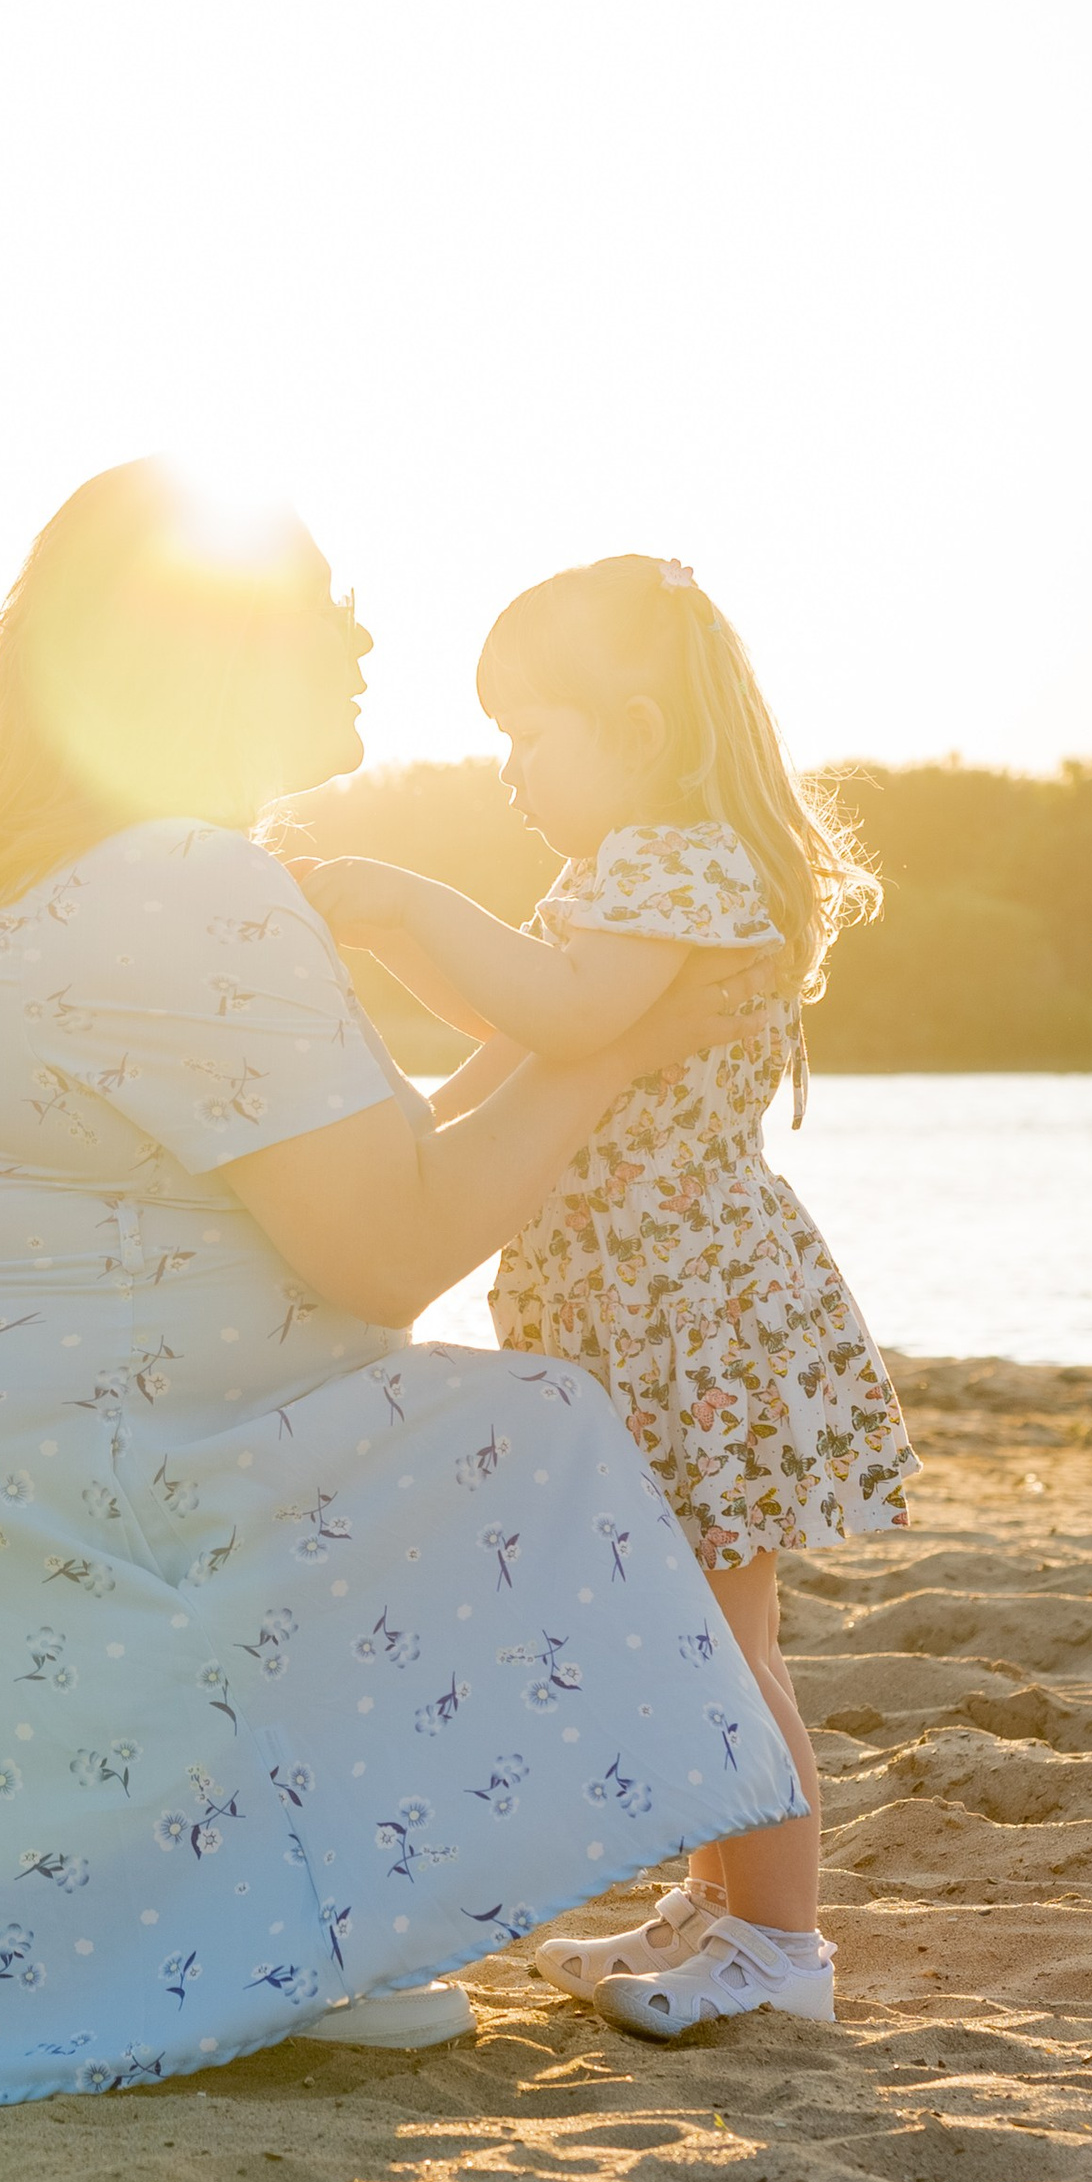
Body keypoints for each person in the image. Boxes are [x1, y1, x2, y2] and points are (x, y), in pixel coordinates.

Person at [0, 463, 808, 2107]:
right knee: (540, 1434)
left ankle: (272, 1907)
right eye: (324, 609)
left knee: (450, 1416)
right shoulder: (181, 885)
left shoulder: (90, 872)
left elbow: (385, 1164)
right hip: (72, 1516)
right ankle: (276, 1920)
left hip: (10, 1528)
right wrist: (615, 1051)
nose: (363, 640)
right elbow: (393, 1248)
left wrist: (571, 1049)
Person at [295, 550, 915, 2042]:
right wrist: (414, 983)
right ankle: (717, 1899)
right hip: (647, 1303)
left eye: (528, 731)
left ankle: (780, 1943)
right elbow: (523, 1011)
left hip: (690, 1313)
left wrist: (401, 896)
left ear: (634, 731)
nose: (508, 770)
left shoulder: (678, 864)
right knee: (700, 1627)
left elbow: (563, 1011)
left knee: (725, 1643)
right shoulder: (626, 873)